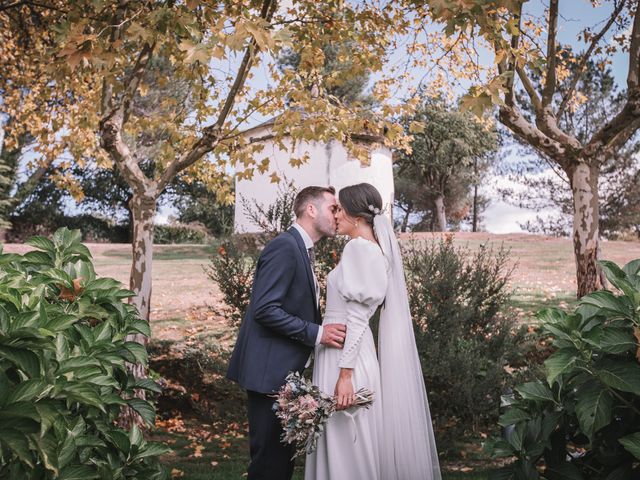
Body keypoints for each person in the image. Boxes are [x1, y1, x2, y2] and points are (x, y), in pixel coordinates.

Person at [305, 183, 441, 480]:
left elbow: (355, 318)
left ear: (355, 215)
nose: (335, 215)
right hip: (349, 352)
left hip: (345, 357)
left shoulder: (358, 249)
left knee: (348, 449)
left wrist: (344, 377)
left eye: (339, 209)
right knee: (350, 445)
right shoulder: (372, 250)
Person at [227, 185, 348, 480]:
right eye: (333, 208)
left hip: (283, 374)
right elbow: (265, 309)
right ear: (311, 209)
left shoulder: (302, 249)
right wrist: (317, 334)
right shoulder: (285, 246)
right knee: (269, 466)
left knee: (280, 464)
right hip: (269, 373)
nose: (337, 215)